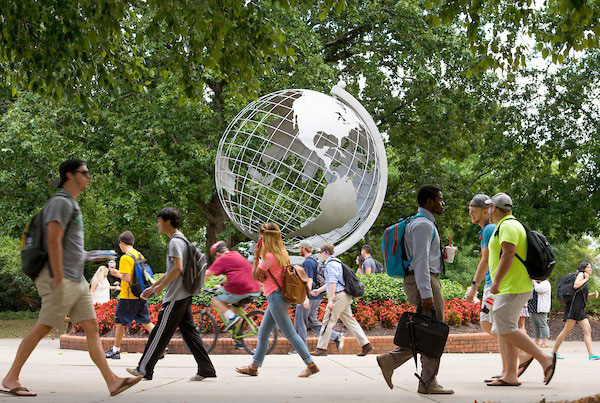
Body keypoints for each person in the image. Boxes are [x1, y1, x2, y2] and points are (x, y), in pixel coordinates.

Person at [1, 159, 141, 397]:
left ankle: (112, 381)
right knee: (44, 326)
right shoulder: (60, 202)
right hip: (62, 278)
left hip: (75, 279)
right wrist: (57, 277)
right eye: (84, 172)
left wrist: (89, 256)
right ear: (69, 175)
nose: (88, 176)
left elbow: (67, 246)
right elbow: (53, 240)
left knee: (92, 327)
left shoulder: (72, 205)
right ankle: (11, 377)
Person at [376, 185, 453, 394]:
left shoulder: (418, 223)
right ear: (429, 202)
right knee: (434, 332)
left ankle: (399, 366)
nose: (442, 204)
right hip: (424, 281)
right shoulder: (423, 225)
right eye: (439, 199)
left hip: (422, 279)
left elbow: (421, 257)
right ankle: (426, 381)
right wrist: (426, 292)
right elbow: (420, 260)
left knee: (427, 332)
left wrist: (441, 256)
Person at [127, 207, 216, 381]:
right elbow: (172, 272)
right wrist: (155, 287)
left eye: (159, 222)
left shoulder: (175, 242)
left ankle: (144, 369)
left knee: (159, 332)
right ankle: (206, 368)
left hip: (176, 297)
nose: (157, 225)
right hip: (183, 294)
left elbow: (177, 269)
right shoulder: (182, 240)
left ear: (167, 222)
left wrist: (158, 288)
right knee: (189, 332)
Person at [484, 193, 555, 386]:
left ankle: (543, 358)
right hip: (511, 286)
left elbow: (508, 254)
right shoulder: (509, 224)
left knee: (505, 328)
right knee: (504, 328)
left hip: (512, 286)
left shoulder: (508, 226)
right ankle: (509, 374)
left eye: (490, 207)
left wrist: (496, 282)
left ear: (495, 209)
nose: (489, 211)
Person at [235, 223, 319, 378]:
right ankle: (254, 367)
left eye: (260, 236)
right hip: (281, 296)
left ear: (265, 237)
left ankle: (311, 364)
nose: (259, 239)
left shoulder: (267, 256)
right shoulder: (282, 253)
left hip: (275, 298)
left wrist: (255, 254)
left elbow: (254, 276)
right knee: (263, 332)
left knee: (290, 334)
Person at [310, 242, 372, 357]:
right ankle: (366, 345)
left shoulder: (330, 265)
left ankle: (321, 348)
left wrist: (330, 300)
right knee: (350, 321)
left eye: (321, 252)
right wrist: (319, 291)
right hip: (344, 296)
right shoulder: (336, 262)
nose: (321, 254)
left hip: (338, 297)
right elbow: (331, 283)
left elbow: (333, 283)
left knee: (328, 321)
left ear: (325, 252)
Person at [106, 231, 155, 360]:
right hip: (140, 294)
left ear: (121, 243)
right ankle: (160, 345)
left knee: (120, 322)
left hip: (128, 296)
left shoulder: (126, 257)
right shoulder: (139, 254)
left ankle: (115, 351)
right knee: (146, 321)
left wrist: (116, 273)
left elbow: (127, 278)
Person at [292, 239, 343, 353]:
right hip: (317, 296)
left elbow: (309, 280)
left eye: (300, 248)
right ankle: (335, 336)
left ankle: (301, 349)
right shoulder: (315, 261)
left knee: (300, 322)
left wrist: (305, 297)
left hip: (309, 296)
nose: (299, 250)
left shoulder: (308, 262)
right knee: (311, 321)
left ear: (303, 248)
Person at [205, 240, 261, 331]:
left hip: (241, 289)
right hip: (255, 288)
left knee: (215, 299)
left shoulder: (223, 258)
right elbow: (230, 276)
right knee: (235, 313)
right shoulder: (236, 254)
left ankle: (232, 318)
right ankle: (239, 342)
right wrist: (221, 285)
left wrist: (198, 286)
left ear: (218, 254)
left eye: (215, 257)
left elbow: (207, 274)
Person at [552, 262, 600, 360]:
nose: (591, 269)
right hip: (574, 308)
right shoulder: (581, 275)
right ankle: (553, 352)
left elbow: (579, 294)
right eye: (589, 267)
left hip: (579, 309)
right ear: (584, 268)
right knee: (566, 331)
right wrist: (586, 278)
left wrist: (592, 295)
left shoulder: (583, 276)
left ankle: (591, 354)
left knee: (588, 330)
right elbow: (575, 285)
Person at [528, 280, 551, 348]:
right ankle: (537, 342)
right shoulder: (534, 283)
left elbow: (539, 289)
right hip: (532, 306)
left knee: (542, 324)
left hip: (541, 308)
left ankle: (546, 342)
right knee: (535, 325)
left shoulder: (545, 283)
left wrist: (534, 283)